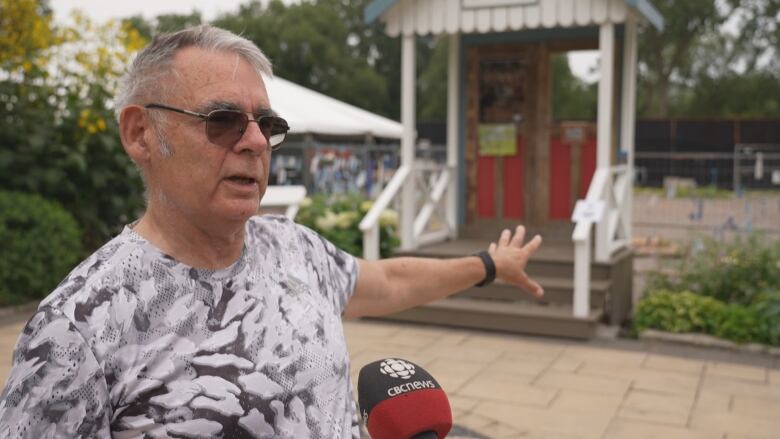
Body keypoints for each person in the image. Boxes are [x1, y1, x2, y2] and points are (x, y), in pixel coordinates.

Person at [0, 25, 543, 439]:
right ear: (141, 133)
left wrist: (491, 266)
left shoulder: (294, 246)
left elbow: (389, 281)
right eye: (223, 120)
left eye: (268, 124)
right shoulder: (77, 330)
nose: (256, 142)